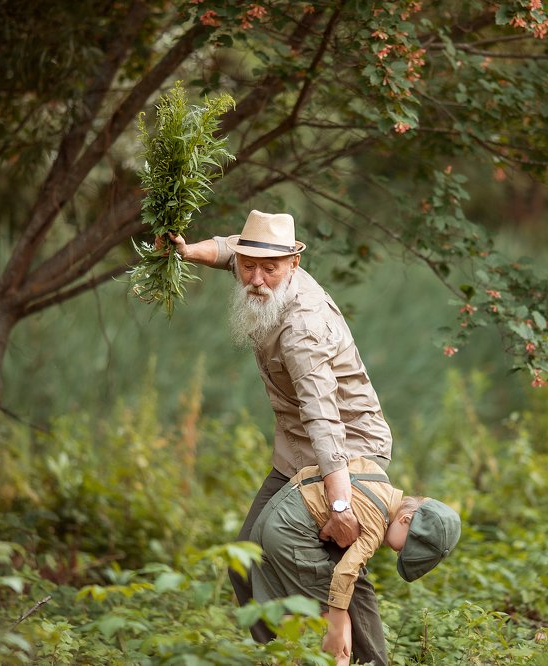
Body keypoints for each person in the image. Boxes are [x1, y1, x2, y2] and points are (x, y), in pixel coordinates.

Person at [164, 210, 395, 664]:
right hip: (298, 449)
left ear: (294, 264)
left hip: (346, 452)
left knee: (338, 553)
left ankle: (370, 659)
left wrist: (342, 505)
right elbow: (233, 248)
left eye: (269, 269)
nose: (255, 279)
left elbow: (324, 418)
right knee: (246, 556)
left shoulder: (301, 329)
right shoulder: (258, 268)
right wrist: (190, 251)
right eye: (249, 266)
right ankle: (282, 656)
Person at [250, 456, 461, 666]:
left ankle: (278, 660)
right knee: (340, 625)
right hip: (293, 533)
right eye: (405, 548)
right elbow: (344, 572)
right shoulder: (376, 526)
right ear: (405, 520)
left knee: (293, 614)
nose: (399, 553)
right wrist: (337, 622)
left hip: (271, 516)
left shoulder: (376, 475)